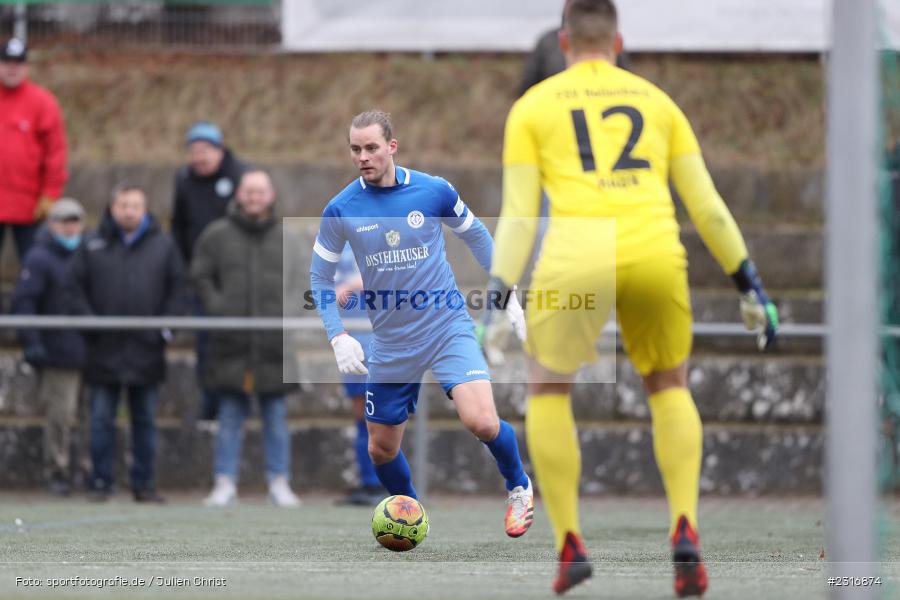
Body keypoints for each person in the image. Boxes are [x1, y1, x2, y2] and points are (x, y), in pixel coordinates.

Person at [487, 0, 779, 595]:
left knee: (548, 390)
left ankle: (570, 543)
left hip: (577, 258)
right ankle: (684, 527)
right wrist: (748, 283)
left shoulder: (533, 107)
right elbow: (707, 206)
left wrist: (496, 296)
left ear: (563, 42)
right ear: (618, 42)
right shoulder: (659, 102)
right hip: (654, 252)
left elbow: (519, 216)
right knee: (670, 386)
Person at [310, 110, 534, 537]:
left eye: (371, 147)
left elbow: (476, 235)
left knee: (483, 422)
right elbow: (320, 278)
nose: (362, 156)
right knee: (381, 450)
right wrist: (337, 335)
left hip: (447, 327)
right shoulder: (341, 208)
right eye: (355, 149)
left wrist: (507, 292)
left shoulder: (433, 191)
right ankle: (411, 511)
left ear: (392, 147)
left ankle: (520, 486)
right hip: (391, 341)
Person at [68, 183, 186, 503]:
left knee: (145, 421)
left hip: (146, 351)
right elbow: (73, 290)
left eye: (135, 205)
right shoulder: (91, 244)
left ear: (145, 209)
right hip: (102, 351)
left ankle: (144, 484)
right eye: (123, 205)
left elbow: (178, 291)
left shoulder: (164, 245)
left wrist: (164, 331)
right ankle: (100, 482)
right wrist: (91, 328)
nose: (129, 211)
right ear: (112, 207)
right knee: (100, 420)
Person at [192, 169, 303, 508]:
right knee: (228, 417)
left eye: (261, 191)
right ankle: (224, 482)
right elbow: (200, 277)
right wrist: (218, 308)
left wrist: (289, 316)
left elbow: (303, 281)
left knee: (276, 418)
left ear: (271, 195)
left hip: (274, 346)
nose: (255, 197)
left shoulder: (288, 238)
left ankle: (279, 482)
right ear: (239, 195)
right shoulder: (216, 235)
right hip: (231, 345)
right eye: (249, 191)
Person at [171, 121, 247, 422]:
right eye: (194, 151)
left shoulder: (239, 176)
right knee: (205, 343)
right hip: (202, 280)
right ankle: (209, 403)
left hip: (235, 278)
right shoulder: (184, 180)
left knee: (237, 342)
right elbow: (178, 227)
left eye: (205, 151)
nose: (199, 158)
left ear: (220, 150)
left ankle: (239, 400)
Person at [11, 199, 87, 496]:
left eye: (74, 221)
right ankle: (57, 469)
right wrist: (32, 339)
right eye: (64, 221)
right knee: (59, 416)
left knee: (92, 417)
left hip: (92, 349)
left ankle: (88, 470)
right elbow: (24, 301)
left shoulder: (90, 253)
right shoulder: (39, 258)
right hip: (58, 352)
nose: (70, 227)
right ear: (52, 224)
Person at [0, 38, 67, 267]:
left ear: (26, 67)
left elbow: (55, 153)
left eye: (18, 63)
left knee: (34, 266)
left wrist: (50, 193)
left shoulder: (43, 103)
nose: (12, 68)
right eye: (7, 62)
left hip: (30, 205)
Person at [333, 243, 384, 506]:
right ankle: (369, 481)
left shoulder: (381, 237)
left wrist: (352, 285)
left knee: (380, 415)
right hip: (351, 341)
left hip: (378, 341)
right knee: (361, 415)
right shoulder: (335, 245)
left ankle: (382, 482)